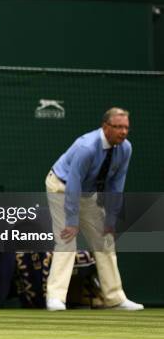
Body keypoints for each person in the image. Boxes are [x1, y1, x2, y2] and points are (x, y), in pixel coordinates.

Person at [45, 107, 143, 311]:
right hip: (61, 187)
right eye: (118, 127)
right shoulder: (87, 146)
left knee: (105, 241)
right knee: (66, 241)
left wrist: (111, 219)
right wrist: (72, 221)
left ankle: (114, 298)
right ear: (105, 127)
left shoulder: (126, 148)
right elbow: (73, 182)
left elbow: (116, 185)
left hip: (87, 193)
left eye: (126, 128)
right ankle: (55, 298)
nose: (123, 132)